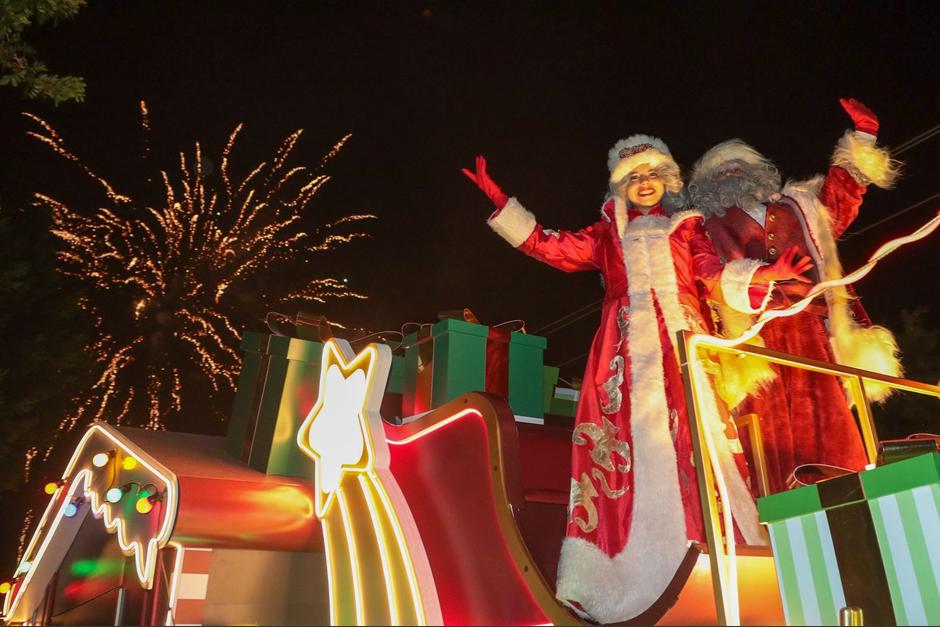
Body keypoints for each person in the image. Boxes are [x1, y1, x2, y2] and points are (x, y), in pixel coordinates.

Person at [462, 136, 812, 623]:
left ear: (666, 181)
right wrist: (504, 204)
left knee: (697, 438)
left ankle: (709, 543)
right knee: (630, 444)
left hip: (684, 346)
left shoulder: (687, 229)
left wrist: (764, 272)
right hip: (624, 355)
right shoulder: (606, 235)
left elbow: (712, 274)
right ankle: (624, 570)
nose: (644, 184)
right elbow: (549, 245)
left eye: (652, 175)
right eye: (634, 178)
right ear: (622, 187)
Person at [688, 98, 903, 493]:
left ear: (760, 171)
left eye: (740, 165)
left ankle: (846, 497)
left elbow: (843, 194)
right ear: (706, 185)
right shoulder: (702, 228)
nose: (732, 172)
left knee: (828, 420)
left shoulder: (801, 205)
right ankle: (773, 507)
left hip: (812, 329)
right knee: (766, 429)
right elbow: (703, 278)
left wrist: (864, 137)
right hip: (753, 339)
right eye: (721, 170)